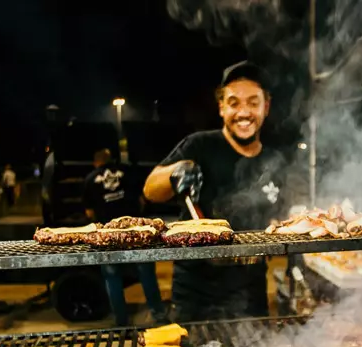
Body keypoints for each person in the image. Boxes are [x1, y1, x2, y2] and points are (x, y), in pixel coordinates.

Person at [143, 61, 291, 322]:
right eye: (234, 103)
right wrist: (177, 171)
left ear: (265, 107)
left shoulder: (275, 161)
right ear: (222, 108)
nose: (244, 112)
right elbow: (150, 189)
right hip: (196, 295)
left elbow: (278, 219)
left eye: (253, 102)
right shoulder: (199, 145)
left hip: (252, 294)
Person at [83, 148, 168, 326]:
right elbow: (142, 200)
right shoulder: (127, 173)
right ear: (111, 159)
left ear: (96, 163)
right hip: (136, 234)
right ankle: (158, 314)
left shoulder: (90, 179)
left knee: (112, 277)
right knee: (146, 273)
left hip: (108, 236)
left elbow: (89, 212)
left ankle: (121, 320)